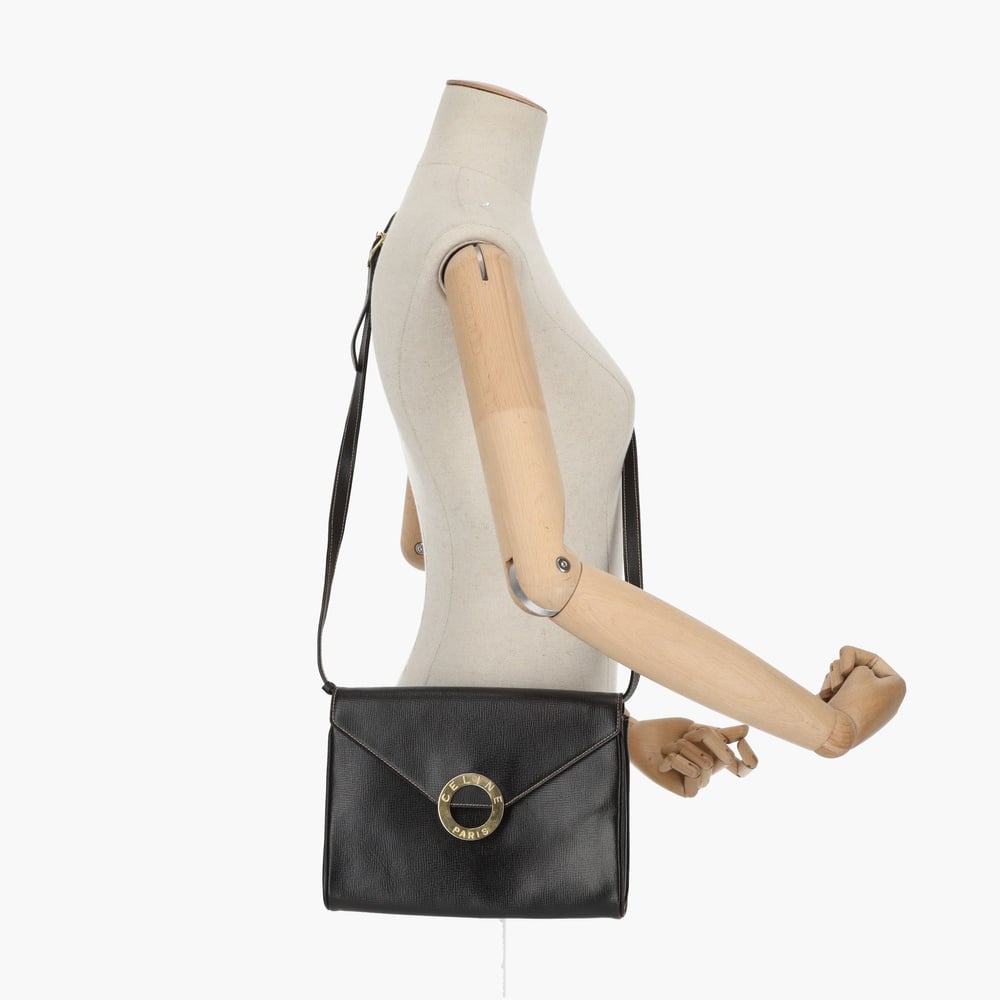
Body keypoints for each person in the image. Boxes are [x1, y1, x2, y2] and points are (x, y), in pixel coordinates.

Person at [368, 80, 905, 797]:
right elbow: (541, 576)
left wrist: (615, 736)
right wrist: (829, 728)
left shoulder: (414, 229)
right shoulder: (472, 247)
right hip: (473, 759)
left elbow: (430, 543)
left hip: (520, 748)